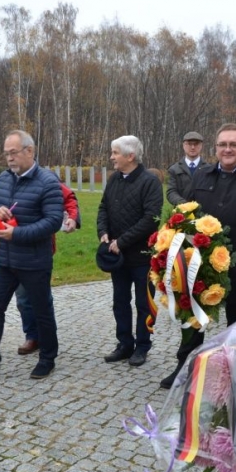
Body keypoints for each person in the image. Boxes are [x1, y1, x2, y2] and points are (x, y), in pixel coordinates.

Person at [160, 123, 236, 389]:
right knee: (192, 322)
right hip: (202, 267)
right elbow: (188, 216)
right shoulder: (202, 176)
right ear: (215, 148)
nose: (227, 149)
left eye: (233, 145)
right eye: (222, 145)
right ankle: (185, 367)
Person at [0, 130, 63, 382]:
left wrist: (16, 233)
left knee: (41, 310)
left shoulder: (48, 182)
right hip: (5, 260)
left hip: (34, 261)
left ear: (29, 151)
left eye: (13, 153)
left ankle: (47, 358)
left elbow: (52, 222)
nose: (9, 158)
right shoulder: (3, 179)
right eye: (6, 153)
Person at [97, 135, 163, 367]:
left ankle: (142, 346)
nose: (111, 157)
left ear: (130, 156)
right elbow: (103, 207)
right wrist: (103, 232)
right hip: (118, 257)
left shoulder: (150, 182)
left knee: (144, 303)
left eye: (115, 153)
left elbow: (150, 220)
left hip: (143, 257)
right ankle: (124, 344)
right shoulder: (115, 179)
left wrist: (122, 241)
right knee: (120, 301)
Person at [14, 181, 80, 355]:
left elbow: (69, 198)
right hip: (14, 249)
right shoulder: (6, 180)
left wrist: (72, 217)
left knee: (41, 297)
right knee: (22, 297)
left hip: (41, 248)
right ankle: (32, 336)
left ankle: (47, 337)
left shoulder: (45, 179)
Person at [167, 131, 207, 206]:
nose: (192, 147)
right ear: (183, 145)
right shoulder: (174, 169)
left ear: (201, 146)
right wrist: (184, 205)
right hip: (181, 214)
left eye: (196, 144)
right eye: (189, 144)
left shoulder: (209, 169)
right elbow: (171, 192)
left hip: (204, 214)